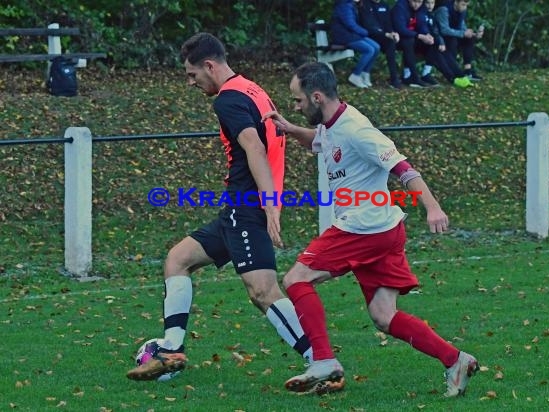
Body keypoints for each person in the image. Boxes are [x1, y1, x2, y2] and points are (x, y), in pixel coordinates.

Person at [262, 62, 479, 396]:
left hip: (364, 227)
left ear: (316, 96)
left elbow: (403, 168)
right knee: (383, 315)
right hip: (382, 229)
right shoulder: (332, 124)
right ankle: (456, 360)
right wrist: (291, 128)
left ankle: (323, 360)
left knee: (296, 278)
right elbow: (319, 143)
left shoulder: (356, 129)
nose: (296, 105)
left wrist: (432, 206)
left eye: (298, 100)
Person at [126, 32, 313, 381]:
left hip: (247, 208)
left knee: (263, 292)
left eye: (192, 74)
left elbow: (255, 147)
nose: (191, 82)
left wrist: (270, 204)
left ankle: (318, 358)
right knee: (178, 259)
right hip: (237, 208)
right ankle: (171, 349)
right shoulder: (251, 88)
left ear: (209, 66)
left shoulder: (227, 99)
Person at [330, 0, 380, 88]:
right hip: (343, 36)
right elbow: (350, 24)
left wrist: (363, 32)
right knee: (369, 50)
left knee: (376, 47)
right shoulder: (343, 5)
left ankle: (364, 73)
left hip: (351, 35)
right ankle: (355, 75)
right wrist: (364, 32)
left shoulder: (351, 4)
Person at [423, 0, 474, 87]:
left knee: (446, 50)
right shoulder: (442, 10)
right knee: (439, 49)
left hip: (435, 40)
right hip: (425, 41)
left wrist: (472, 33)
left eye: (432, 3)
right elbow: (440, 30)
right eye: (427, 3)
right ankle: (451, 77)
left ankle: (460, 74)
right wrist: (440, 41)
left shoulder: (431, 14)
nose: (430, 6)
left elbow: (435, 30)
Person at [358, 0, 403, 89]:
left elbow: (388, 24)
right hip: (369, 36)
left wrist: (393, 33)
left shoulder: (384, 5)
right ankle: (364, 73)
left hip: (384, 37)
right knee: (374, 46)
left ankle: (394, 79)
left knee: (391, 44)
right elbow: (368, 26)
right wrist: (386, 34)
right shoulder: (365, 4)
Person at [434, 0, 484, 81]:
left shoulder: (462, 11)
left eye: (466, 5)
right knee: (453, 40)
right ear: (456, 2)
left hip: (453, 35)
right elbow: (444, 30)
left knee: (469, 38)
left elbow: (462, 27)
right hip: (441, 38)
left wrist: (474, 34)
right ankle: (452, 72)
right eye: (463, 4)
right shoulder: (444, 9)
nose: (465, 7)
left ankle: (468, 71)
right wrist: (463, 33)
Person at [391, 0, 436, 87]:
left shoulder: (421, 7)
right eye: (415, 1)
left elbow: (422, 23)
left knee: (433, 41)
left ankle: (426, 73)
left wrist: (427, 34)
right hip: (397, 37)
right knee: (409, 42)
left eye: (419, 2)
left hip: (413, 36)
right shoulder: (400, 7)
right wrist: (420, 36)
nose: (417, 5)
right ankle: (413, 76)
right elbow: (401, 29)